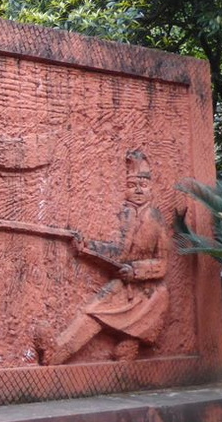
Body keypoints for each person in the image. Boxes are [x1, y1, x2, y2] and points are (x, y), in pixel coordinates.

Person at [36, 150, 170, 364]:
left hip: (148, 293)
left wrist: (136, 271)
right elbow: (118, 252)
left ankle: (129, 344)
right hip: (124, 286)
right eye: (132, 185)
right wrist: (87, 246)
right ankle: (58, 353)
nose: (137, 190)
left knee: (124, 347)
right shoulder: (126, 215)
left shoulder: (155, 218)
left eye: (143, 186)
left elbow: (163, 264)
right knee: (92, 313)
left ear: (150, 188)